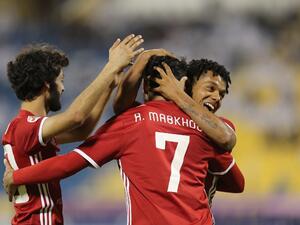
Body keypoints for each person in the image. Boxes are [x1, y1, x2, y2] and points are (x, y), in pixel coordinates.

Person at [3, 56, 243, 225]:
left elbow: (70, 162)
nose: (216, 97)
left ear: (146, 86)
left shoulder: (131, 121)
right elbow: (237, 183)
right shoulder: (207, 129)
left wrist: (17, 176)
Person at [2, 34, 144, 225]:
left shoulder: (26, 129)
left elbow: (82, 130)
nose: (62, 88)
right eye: (60, 80)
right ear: (46, 84)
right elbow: (76, 116)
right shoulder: (26, 127)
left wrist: (112, 81)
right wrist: (109, 68)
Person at [114, 50, 244, 203]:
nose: (217, 97)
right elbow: (122, 106)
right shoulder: (157, 119)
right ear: (187, 86)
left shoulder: (220, 125)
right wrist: (142, 59)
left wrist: (176, 94)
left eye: (222, 95)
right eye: (210, 88)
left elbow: (226, 138)